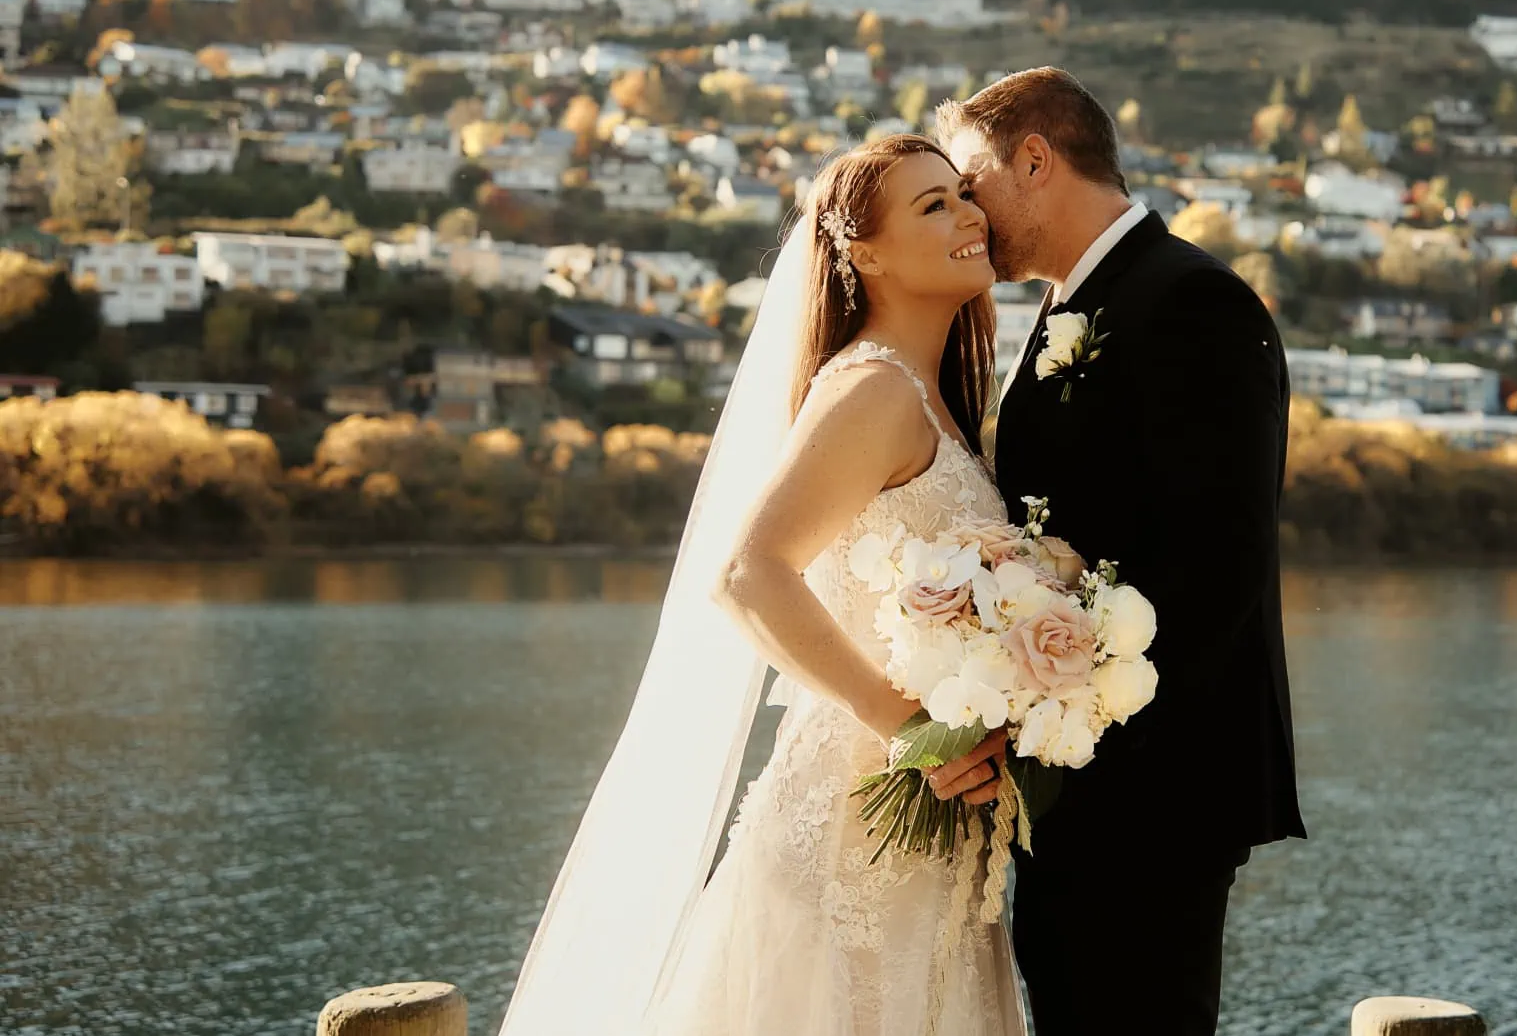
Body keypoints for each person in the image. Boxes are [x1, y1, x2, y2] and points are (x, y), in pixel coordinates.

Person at [498, 134, 1028, 1036]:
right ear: (865, 253)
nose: (968, 215)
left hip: (932, 846)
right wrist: (908, 727)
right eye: (932, 205)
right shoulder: (873, 389)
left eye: (963, 195)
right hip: (854, 835)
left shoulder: (933, 398)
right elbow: (748, 574)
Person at [940, 67, 1306, 1036]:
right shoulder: (1063, 306)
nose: (966, 211)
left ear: (1034, 159)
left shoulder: (1197, 302)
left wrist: (1072, 711)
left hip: (1158, 791)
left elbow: (1218, 567)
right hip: (1066, 785)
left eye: (971, 183)